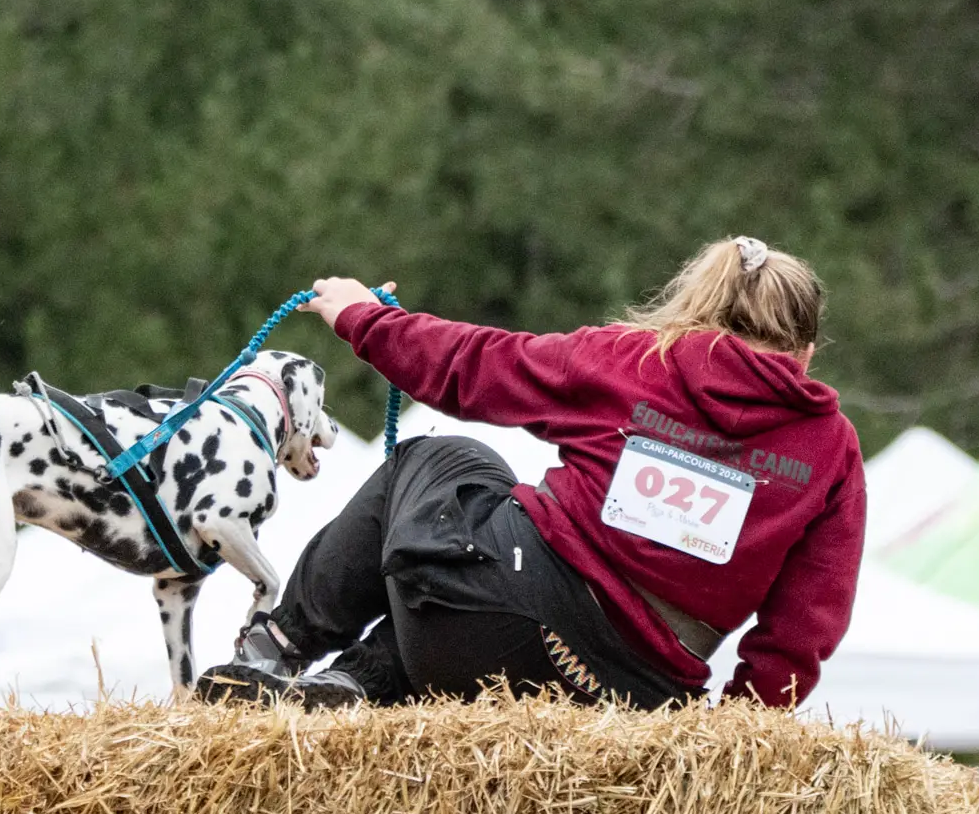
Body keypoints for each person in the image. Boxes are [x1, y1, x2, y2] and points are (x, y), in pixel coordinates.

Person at [194, 236, 866, 710]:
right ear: (805, 353)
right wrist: (736, 745)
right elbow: (804, 627)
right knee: (471, 588)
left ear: (699, 313)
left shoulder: (636, 360)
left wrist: (361, 317)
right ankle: (354, 684)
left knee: (446, 461)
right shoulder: (832, 449)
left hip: (494, 614)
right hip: (635, 700)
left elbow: (473, 365)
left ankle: (277, 647)